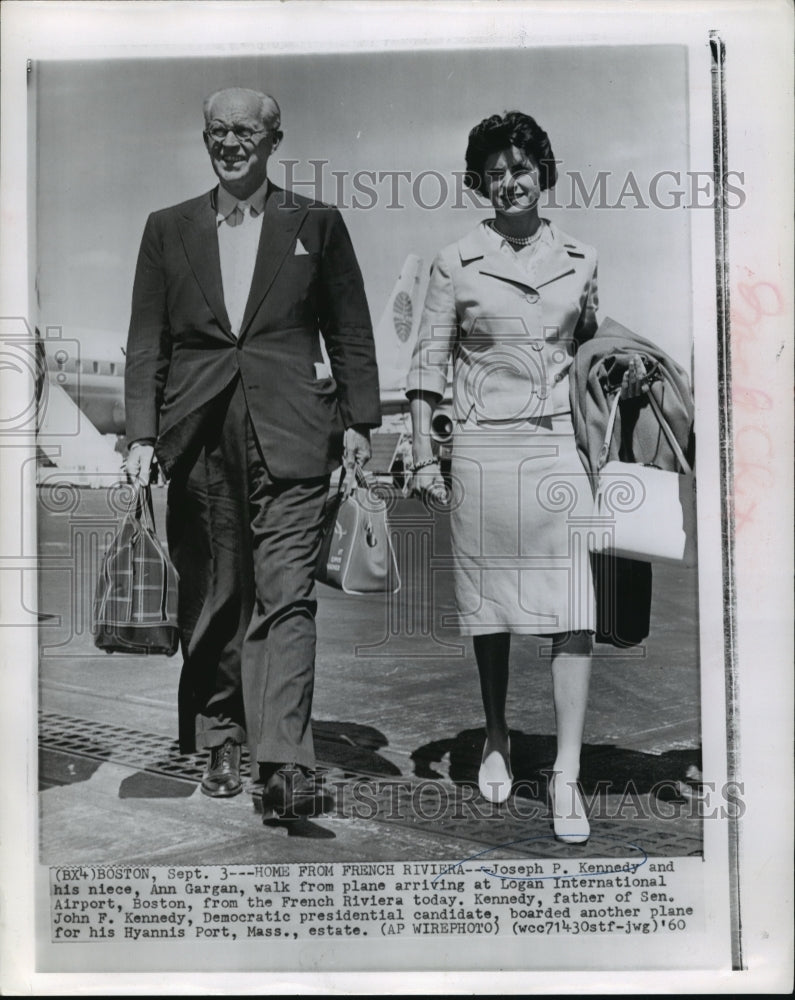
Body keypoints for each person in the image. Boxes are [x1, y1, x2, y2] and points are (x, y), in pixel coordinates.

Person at [124, 87, 380, 820]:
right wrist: (143, 435)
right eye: (217, 131)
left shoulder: (315, 223)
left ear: (274, 139)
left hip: (295, 432)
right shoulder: (165, 228)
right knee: (215, 598)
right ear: (204, 138)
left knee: (287, 598)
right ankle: (220, 736)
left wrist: (360, 421)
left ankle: (285, 761)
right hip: (198, 435)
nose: (230, 142)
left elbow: (350, 327)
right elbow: (149, 340)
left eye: (245, 131)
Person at [407, 111, 645, 843]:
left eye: (521, 167)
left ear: (543, 173)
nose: (509, 181)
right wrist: (422, 454)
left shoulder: (582, 256)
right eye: (495, 171)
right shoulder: (454, 261)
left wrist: (622, 365)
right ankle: (497, 734)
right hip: (481, 453)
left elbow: (589, 343)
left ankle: (566, 774)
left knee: (574, 609)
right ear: (481, 181)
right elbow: (426, 368)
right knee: (493, 612)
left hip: (559, 451)